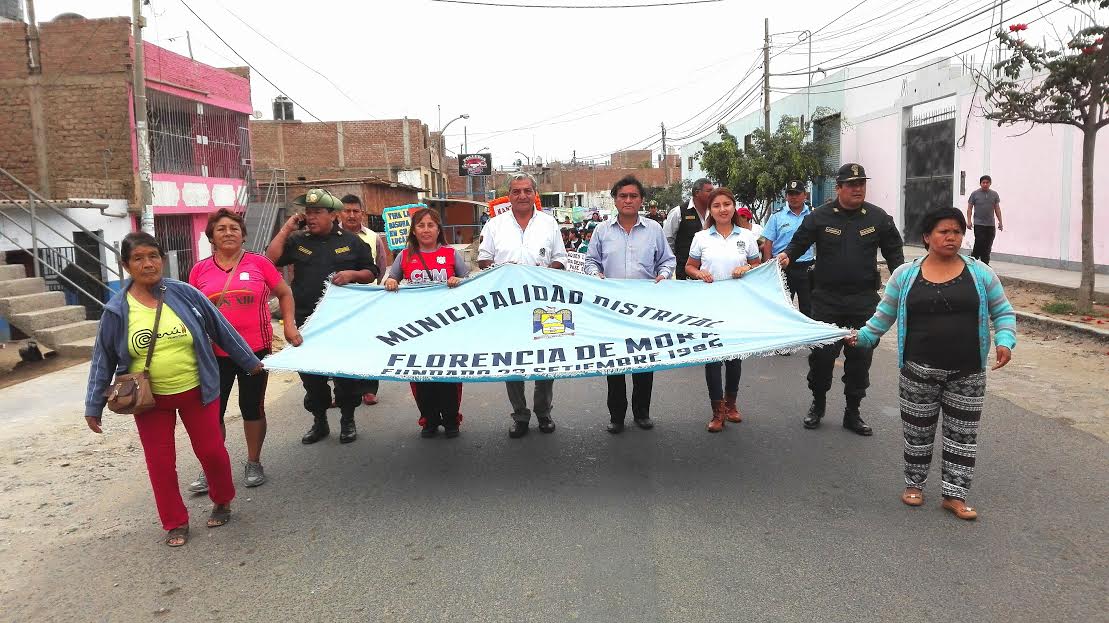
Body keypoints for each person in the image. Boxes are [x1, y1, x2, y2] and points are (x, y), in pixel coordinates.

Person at [84, 232, 263, 547]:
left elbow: (220, 327)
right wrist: (93, 405)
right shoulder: (117, 310)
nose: (147, 264)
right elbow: (103, 359)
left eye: (153, 256)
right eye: (138, 258)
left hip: (198, 391)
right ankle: (175, 521)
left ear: (162, 260)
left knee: (212, 452)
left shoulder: (184, 293)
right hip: (149, 401)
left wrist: (249, 361)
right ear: (126, 265)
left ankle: (222, 499)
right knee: (160, 463)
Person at [848, 207, 1016, 520]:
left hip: (967, 371)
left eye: (957, 231)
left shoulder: (980, 273)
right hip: (917, 371)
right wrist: (864, 337)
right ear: (927, 237)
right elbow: (884, 314)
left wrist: (1005, 341)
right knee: (917, 432)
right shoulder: (905, 275)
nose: (952, 237)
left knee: (963, 435)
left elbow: (1003, 311)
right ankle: (914, 484)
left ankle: (955, 495)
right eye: (944, 231)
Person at [778, 163, 905, 436]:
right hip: (826, 301)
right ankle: (818, 404)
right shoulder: (819, 217)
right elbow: (799, 243)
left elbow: (895, 253)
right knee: (822, 358)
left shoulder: (878, 218)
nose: (857, 188)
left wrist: (904, 282)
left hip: (863, 302)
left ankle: (853, 412)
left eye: (861, 184)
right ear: (838, 188)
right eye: (851, 184)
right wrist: (787, 256)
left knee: (860, 359)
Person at [186, 209, 301, 493]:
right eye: (221, 229)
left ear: (243, 235)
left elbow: (285, 293)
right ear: (211, 237)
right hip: (214, 354)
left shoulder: (259, 264)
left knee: (252, 408)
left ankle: (253, 462)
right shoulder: (199, 270)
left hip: (254, 351)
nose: (228, 233)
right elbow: (189, 310)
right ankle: (212, 466)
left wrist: (289, 325)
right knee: (213, 412)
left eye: (234, 228)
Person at [266, 188, 379, 445]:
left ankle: (347, 420)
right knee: (311, 376)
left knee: (344, 374)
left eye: (317, 212)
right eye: (308, 212)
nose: (311, 217)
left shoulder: (351, 241)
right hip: (307, 320)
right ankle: (320, 421)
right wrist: (287, 228)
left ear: (333, 215)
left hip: (341, 321)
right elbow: (271, 259)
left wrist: (352, 275)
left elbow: (371, 271)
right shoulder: (298, 240)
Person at [478, 173, 567, 438]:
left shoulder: (549, 223)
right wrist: (505, 269)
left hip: (544, 304)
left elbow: (561, 259)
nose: (522, 196)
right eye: (516, 191)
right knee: (512, 361)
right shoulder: (494, 225)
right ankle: (520, 414)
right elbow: (483, 260)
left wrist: (542, 272)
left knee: (546, 361)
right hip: (508, 306)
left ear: (535, 194)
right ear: (509, 196)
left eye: (527, 191)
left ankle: (544, 412)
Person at [584, 175, 675, 434]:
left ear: (641, 200)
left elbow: (667, 260)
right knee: (614, 363)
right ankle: (616, 416)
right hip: (610, 309)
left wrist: (664, 275)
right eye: (622, 196)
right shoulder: (602, 230)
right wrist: (595, 274)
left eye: (633, 196)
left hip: (644, 308)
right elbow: (591, 261)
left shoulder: (654, 230)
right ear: (615, 200)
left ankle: (642, 413)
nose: (628, 200)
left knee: (644, 361)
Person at [384, 208, 470, 438]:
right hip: (417, 329)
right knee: (420, 375)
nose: (426, 230)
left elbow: (469, 282)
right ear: (413, 230)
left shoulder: (451, 254)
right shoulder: (404, 256)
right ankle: (429, 420)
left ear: (438, 229)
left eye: (431, 225)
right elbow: (391, 278)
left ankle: (451, 420)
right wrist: (391, 281)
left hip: (447, 326)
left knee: (448, 375)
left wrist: (459, 280)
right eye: (421, 225)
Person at [685, 188, 762, 432]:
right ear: (710, 210)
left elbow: (757, 264)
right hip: (709, 306)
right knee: (713, 359)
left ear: (733, 206)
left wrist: (746, 268)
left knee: (734, 358)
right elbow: (689, 266)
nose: (722, 209)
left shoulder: (747, 236)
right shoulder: (701, 237)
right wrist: (699, 273)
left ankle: (731, 405)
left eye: (727, 204)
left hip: (738, 306)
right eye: (716, 205)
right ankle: (717, 412)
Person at [339, 194, 391, 406]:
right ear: (339, 213)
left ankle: (369, 389)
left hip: (367, 301)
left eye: (355, 211)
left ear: (362, 213)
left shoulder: (372, 237)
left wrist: (373, 288)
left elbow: (380, 266)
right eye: (347, 211)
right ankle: (344, 390)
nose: (351, 215)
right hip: (340, 302)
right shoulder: (331, 236)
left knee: (369, 343)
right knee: (343, 345)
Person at [762, 180, 815, 317]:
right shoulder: (777, 216)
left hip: (806, 267)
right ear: (786, 196)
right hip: (783, 267)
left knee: (808, 307)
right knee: (783, 307)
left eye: (797, 194)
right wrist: (769, 267)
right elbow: (768, 243)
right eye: (790, 194)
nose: (794, 197)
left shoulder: (813, 214)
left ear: (805, 195)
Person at [664, 177, 713, 279]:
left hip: (710, 271)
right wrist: (672, 262)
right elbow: (667, 240)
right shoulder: (678, 212)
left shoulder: (714, 212)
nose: (713, 194)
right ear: (697, 193)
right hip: (685, 271)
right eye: (709, 191)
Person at [966, 175, 1003, 265]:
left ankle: (985, 264)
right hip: (979, 224)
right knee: (979, 242)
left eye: (987, 182)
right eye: (983, 182)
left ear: (990, 183)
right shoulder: (975, 194)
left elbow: (997, 208)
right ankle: (974, 260)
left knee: (988, 245)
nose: (985, 184)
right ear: (980, 183)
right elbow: (969, 208)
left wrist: (1000, 222)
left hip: (990, 224)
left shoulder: (994, 194)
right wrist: (969, 221)